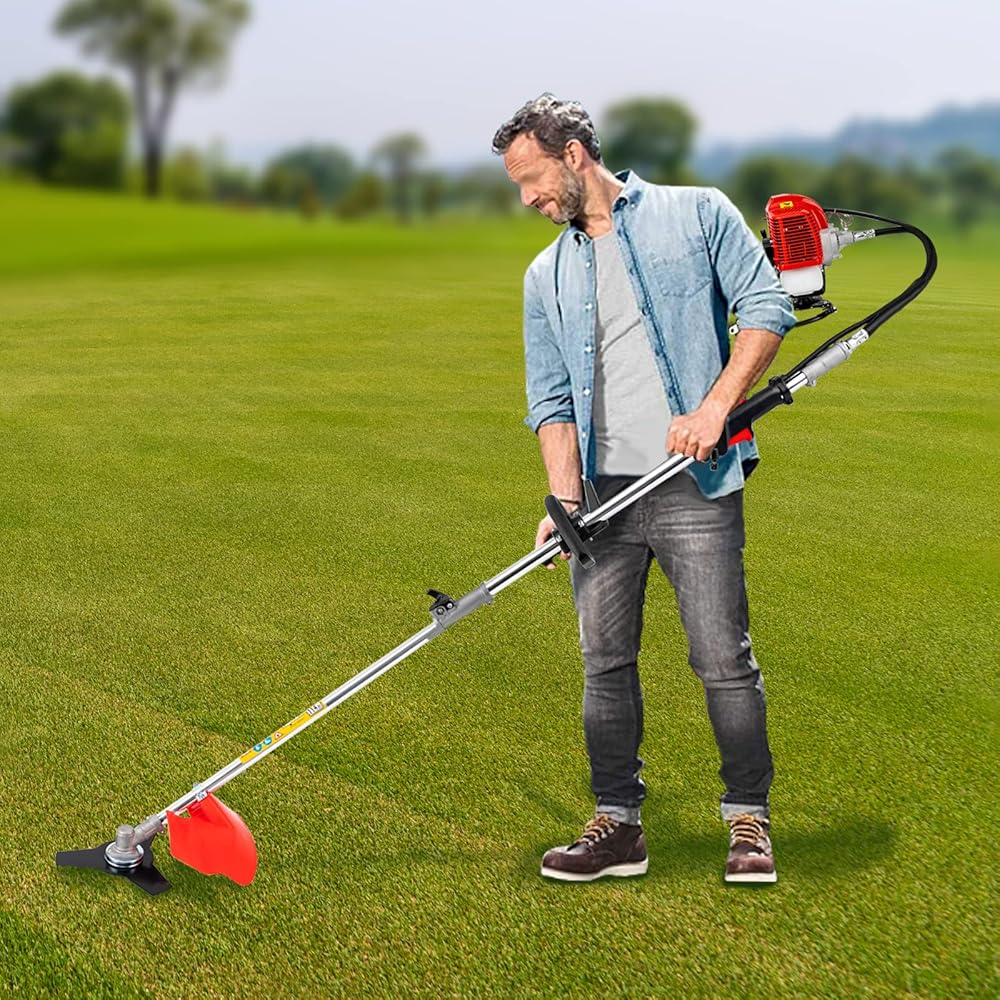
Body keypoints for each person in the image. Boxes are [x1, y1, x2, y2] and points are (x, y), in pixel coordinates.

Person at [492, 94, 796, 884]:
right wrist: (565, 503)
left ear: (573, 154)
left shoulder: (696, 214)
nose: (526, 198)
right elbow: (550, 399)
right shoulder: (545, 273)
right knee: (603, 663)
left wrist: (715, 407)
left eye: (531, 178)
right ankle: (617, 826)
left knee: (721, 657)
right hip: (602, 500)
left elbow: (767, 304)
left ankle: (748, 820)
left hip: (694, 483)